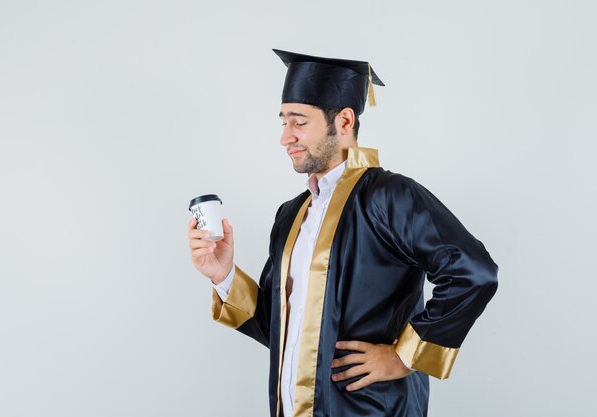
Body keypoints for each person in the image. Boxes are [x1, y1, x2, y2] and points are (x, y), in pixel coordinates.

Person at [187, 49, 498, 417]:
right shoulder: (291, 215)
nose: (285, 137)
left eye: (299, 122)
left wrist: (404, 356)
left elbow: (473, 272)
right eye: (283, 121)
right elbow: (279, 330)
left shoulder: (389, 197)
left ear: (345, 122)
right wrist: (223, 275)